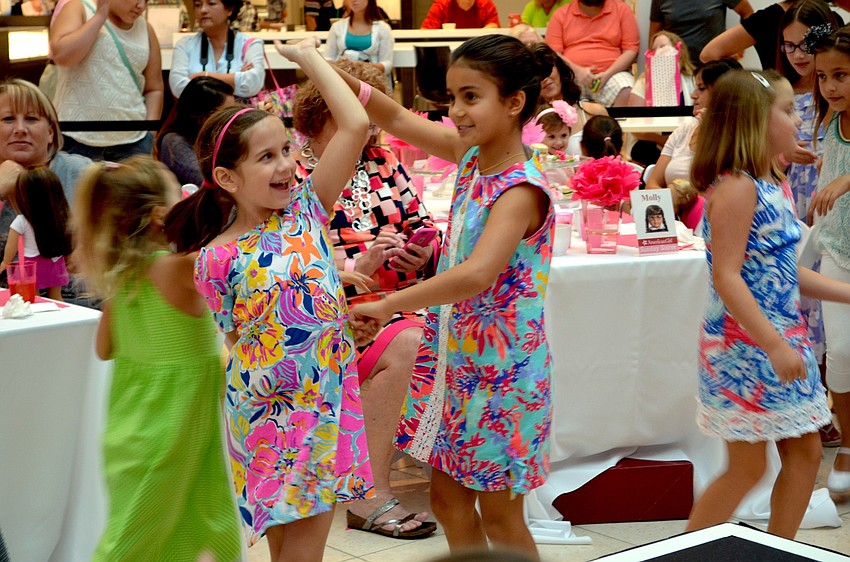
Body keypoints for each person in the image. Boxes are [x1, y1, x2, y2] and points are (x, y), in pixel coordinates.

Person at [342, 34, 555, 558]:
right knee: (448, 500)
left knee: (501, 516)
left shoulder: (520, 188)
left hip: (503, 376)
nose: (455, 112)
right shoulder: (470, 156)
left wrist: (391, 303)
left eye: (470, 97)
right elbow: (390, 114)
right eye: (452, 97)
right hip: (456, 366)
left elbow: (478, 273)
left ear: (514, 102)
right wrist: (313, 62)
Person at [164, 38, 374, 560]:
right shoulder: (213, 260)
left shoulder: (305, 211)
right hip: (268, 417)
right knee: (298, 554)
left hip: (324, 406)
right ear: (226, 178)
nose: (285, 165)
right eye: (267, 157)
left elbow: (355, 125)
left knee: (296, 553)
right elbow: (240, 339)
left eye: (287, 150)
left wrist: (310, 61)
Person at [686, 69, 850, 539]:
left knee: (802, 454)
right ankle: (690, 548)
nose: (796, 116)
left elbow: (782, 272)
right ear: (755, 122)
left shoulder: (768, 179)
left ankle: (781, 546)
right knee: (748, 467)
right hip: (750, 346)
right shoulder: (737, 187)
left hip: (777, 336)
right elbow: (728, 276)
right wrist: (774, 344)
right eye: (784, 109)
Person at [292, 59, 439, 540]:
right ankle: (367, 493)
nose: (372, 124)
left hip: (399, 298)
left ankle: (465, 479)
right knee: (411, 340)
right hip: (331, 312)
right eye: (357, 110)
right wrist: (361, 271)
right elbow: (290, 269)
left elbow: (422, 222)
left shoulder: (385, 162)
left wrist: (421, 251)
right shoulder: (291, 174)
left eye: (376, 112)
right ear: (319, 113)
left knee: (465, 329)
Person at [73, 156, 243, 560]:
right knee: (158, 529)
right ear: (159, 215)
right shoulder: (176, 268)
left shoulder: (124, 278)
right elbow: (235, 265)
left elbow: (104, 349)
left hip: (133, 424)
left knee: (155, 524)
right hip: (173, 426)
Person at [778, 0, 843, 446]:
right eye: (790, 45)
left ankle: (825, 412)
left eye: (807, 45)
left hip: (830, 220)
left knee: (828, 322)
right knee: (830, 337)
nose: (799, 54)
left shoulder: (831, 106)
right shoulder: (801, 103)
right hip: (814, 222)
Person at [807, 23, 850, 492]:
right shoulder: (831, 122)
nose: (830, 86)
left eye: (841, 75)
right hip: (839, 249)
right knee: (840, 353)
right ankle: (849, 446)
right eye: (824, 77)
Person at [0, 79, 91, 300]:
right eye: (8, 119)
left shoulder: (82, 173)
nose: (20, 129)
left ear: (51, 133)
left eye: (31, 119)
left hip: (76, 300)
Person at [49, 0, 163, 161]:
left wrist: (150, 134)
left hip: (134, 141)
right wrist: (99, 17)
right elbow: (62, 56)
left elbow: (154, 88)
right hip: (76, 138)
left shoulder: (146, 28)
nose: (141, 6)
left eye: (145, 0)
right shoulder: (79, 7)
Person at [646, 58, 742, 191]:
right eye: (695, 88)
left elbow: (714, 188)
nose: (693, 95)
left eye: (701, 89)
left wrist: (710, 127)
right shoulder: (686, 128)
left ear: (723, 94)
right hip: (672, 209)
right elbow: (651, 185)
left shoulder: (738, 138)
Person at [545, 0, 639, 107]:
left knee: (627, 89)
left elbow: (631, 49)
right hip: (570, 76)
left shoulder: (622, 10)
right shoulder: (560, 14)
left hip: (612, 74)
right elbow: (552, 52)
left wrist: (608, 74)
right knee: (555, 88)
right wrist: (577, 71)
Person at [168, 0, 264, 99]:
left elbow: (253, 83)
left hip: (236, 114)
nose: (203, 10)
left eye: (211, 3)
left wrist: (202, 76)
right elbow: (178, 87)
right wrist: (234, 79)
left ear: (229, 10)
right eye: (198, 5)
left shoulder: (250, 45)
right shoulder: (185, 45)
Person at [0, 167, 70, 300]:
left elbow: (11, 247)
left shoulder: (22, 220)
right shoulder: (61, 217)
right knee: (56, 297)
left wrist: (4, 263)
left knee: (32, 297)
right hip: (55, 261)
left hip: (31, 264)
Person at [154, 76, 235, 186]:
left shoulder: (218, 136)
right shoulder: (174, 142)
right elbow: (210, 183)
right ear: (205, 118)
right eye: (228, 114)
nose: (233, 119)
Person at [534, 43, 607, 155]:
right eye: (538, 74)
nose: (545, 78)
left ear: (559, 69)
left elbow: (614, 158)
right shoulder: (527, 121)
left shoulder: (595, 112)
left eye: (548, 70)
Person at [649, 0, 753, 63]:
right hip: (676, 69)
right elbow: (654, 35)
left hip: (713, 68)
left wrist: (739, 51)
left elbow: (747, 13)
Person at [325, 0, 394, 92]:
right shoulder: (337, 27)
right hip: (342, 84)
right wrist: (344, 68)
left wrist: (360, 67)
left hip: (373, 86)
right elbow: (328, 59)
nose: (354, 1)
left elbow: (387, 64)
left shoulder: (383, 29)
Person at [420, 0, 500, 29]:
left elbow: (494, 31)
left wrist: (490, 29)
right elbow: (425, 34)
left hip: (477, 55)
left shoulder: (486, 5)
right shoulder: (442, 4)